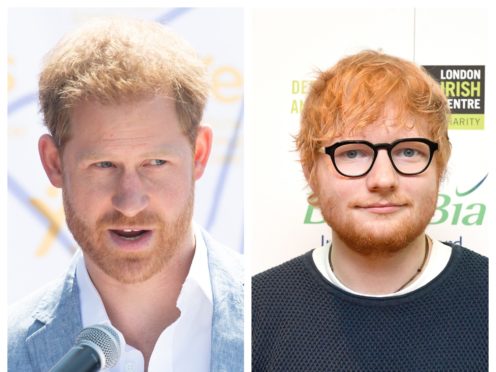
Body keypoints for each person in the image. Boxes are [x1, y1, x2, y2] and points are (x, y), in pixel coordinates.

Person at [9, 17, 243, 372]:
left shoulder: (275, 314)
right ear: (54, 164)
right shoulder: (11, 351)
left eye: (155, 163)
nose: (130, 203)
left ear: (199, 155)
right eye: (103, 165)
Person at [252, 50, 487, 371]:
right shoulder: (252, 311)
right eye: (353, 154)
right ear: (311, 172)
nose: (383, 179)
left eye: (408, 151)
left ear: (439, 165)